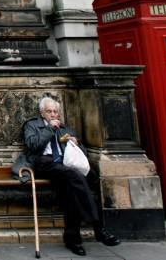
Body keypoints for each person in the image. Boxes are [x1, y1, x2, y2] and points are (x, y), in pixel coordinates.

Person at [23, 96, 120, 256]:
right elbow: (32, 145)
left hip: (65, 165)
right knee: (75, 178)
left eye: (55, 112)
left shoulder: (65, 128)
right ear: (42, 113)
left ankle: (72, 239)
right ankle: (98, 228)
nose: (53, 115)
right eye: (49, 112)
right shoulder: (32, 125)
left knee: (76, 186)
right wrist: (49, 129)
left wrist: (76, 143)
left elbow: (82, 153)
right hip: (44, 162)